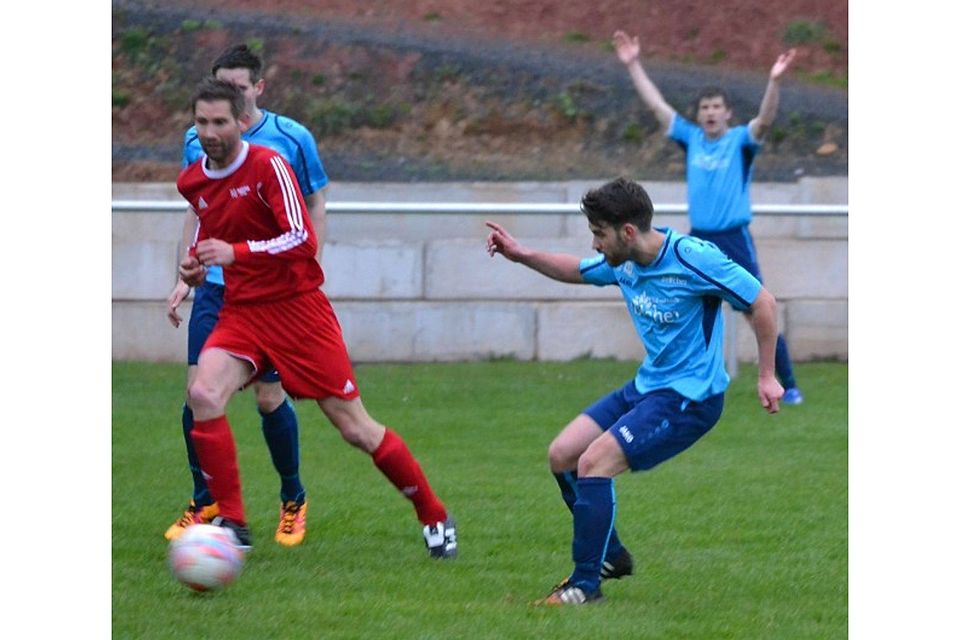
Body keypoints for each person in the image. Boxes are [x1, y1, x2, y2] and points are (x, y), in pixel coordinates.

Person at [175, 78, 457, 557]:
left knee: (356, 430)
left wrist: (236, 253)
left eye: (220, 121)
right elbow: (212, 232)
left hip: (298, 313)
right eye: (201, 122)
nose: (209, 131)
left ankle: (434, 514)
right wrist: (195, 266)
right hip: (242, 311)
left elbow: (302, 240)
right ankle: (234, 525)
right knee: (203, 392)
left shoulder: (270, 166)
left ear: (243, 121)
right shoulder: (193, 180)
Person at [485, 177, 783, 604]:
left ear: (627, 232)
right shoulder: (623, 262)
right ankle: (612, 555)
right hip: (648, 386)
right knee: (563, 455)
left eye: (599, 234)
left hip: (690, 399)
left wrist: (767, 374)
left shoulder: (692, 258)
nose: (594, 244)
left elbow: (762, 302)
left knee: (594, 462)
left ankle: (585, 586)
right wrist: (521, 255)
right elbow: (576, 270)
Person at [165, 44, 329, 546]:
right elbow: (198, 212)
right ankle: (206, 502)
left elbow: (315, 202)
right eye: (222, 86)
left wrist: (311, 269)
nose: (228, 99)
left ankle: (292, 497)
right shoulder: (199, 140)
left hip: (272, 292)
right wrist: (183, 269)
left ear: (257, 89)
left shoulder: (289, 139)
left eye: (239, 87)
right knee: (198, 395)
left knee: (267, 397)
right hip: (217, 290)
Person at [612, 30, 805, 405]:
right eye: (704, 108)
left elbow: (764, 120)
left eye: (717, 107)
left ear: (727, 113)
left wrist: (774, 81)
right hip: (698, 239)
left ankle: (789, 383)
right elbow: (658, 108)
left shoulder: (739, 141)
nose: (710, 112)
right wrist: (633, 64)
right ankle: (692, 378)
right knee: (689, 307)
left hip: (734, 237)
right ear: (699, 115)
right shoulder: (691, 139)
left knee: (755, 307)